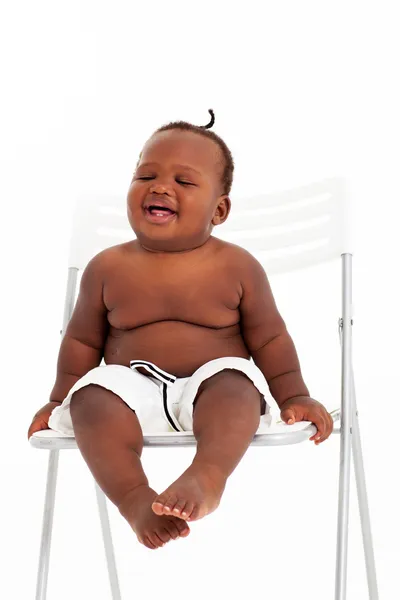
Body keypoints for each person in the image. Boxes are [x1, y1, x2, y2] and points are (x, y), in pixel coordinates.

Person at [27, 109, 334, 550]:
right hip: (132, 392)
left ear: (220, 209)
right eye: (145, 175)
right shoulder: (107, 267)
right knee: (92, 398)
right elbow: (82, 341)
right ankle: (135, 500)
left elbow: (270, 340)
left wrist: (294, 396)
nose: (160, 186)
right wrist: (60, 400)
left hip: (210, 395)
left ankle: (207, 476)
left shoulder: (237, 266)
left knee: (236, 383)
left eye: (185, 182)